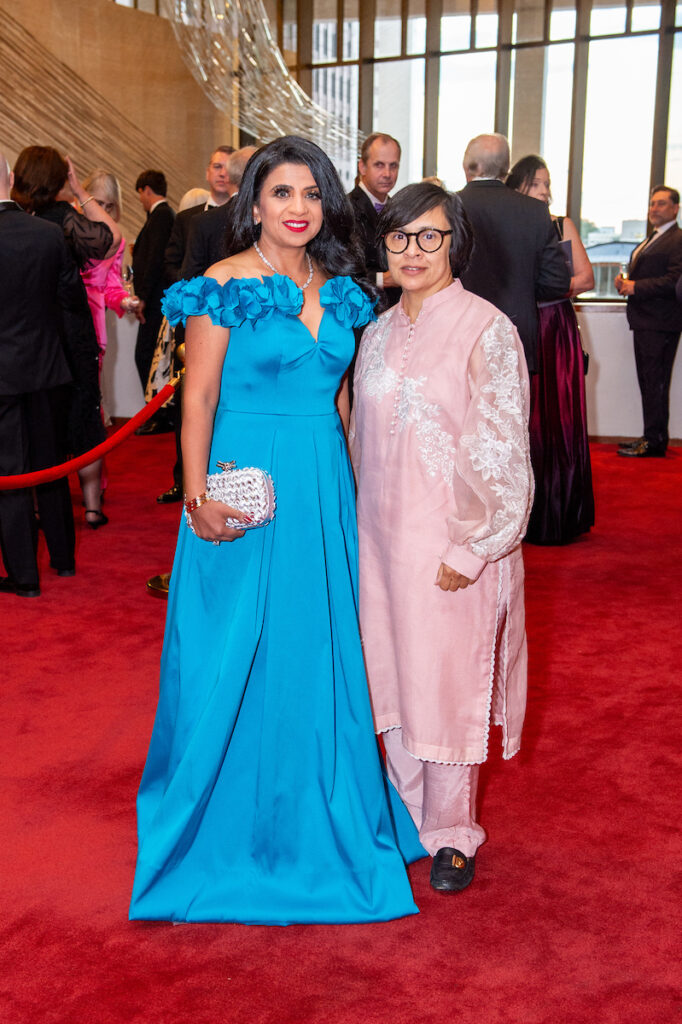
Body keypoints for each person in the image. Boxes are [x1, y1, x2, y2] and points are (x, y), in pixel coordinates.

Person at [129, 136, 423, 925]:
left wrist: (355, 495)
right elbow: (197, 402)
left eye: (311, 194)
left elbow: (339, 403)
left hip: (322, 483)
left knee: (316, 649)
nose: (298, 209)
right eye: (282, 193)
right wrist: (194, 499)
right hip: (245, 482)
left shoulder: (344, 289)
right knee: (232, 650)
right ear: (252, 202)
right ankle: (222, 825)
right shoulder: (222, 286)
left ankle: (320, 804)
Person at [350, 182, 533, 892]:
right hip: (377, 542)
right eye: (400, 237)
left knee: (444, 680)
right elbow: (361, 440)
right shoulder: (377, 331)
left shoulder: (487, 328)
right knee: (390, 677)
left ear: (456, 242)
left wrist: (471, 546)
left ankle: (454, 831)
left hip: (450, 547)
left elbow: (502, 448)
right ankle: (405, 818)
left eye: (430, 236)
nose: (413, 251)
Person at [12, 147, 120, 529]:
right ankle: (92, 506)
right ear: (60, 179)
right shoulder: (66, 219)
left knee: (38, 422)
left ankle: (41, 505)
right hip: (72, 331)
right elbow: (112, 237)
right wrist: (80, 190)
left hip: (30, 334)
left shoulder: (18, 220)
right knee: (84, 418)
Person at [0, 150, 81, 596]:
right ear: (10, 177)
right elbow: (69, 301)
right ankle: (64, 559)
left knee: (9, 473)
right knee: (50, 464)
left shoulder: (50, 232)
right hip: (47, 366)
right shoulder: (49, 234)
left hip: (4, 375)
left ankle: (23, 576)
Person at [507, 155, 595, 544]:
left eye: (546, 184)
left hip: (554, 329)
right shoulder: (511, 223)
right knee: (519, 419)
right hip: (517, 326)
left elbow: (587, 278)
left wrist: (547, 288)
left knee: (556, 419)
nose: (544, 191)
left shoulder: (560, 224)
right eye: (536, 184)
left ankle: (557, 513)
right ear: (518, 186)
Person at [458, 133, 570, 373]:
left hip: (459, 331)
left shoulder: (448, 207)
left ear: (467, 167)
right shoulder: (535, 211)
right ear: (506, 170)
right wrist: (521, 291)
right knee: (511, 410)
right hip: (516, 332)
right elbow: (557, 282)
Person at [615, 185, 682, 457]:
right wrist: (625, 283)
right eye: (652, 203)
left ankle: (655, 442)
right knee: (647, 381)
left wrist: (636, 287)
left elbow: (674, 281)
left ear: (676, 208)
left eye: (662, 204)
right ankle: (649, 436)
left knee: (656, 382)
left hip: (661, 322)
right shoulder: (653, 237)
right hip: (645, 320)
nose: (654, 208)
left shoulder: (677, 239)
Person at [132, 169, 175, 432]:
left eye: (140, 194)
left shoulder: (161, 216)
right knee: (149, 356)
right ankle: (156, 412)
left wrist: (143, 298)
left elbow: (153, 261)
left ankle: (157, 414)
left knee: (146, 356)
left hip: (155, 299)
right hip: (155, 297)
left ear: (146, 190)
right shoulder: (161, 216)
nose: (141, 200)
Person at [164, 146, 235, 286]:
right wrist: (189, 287)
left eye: (228, 169)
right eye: (217, 167)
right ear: (207, 173)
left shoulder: (247, 219)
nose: (222, 173)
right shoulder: (185, 219)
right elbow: (170, 264)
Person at [348, 132, 402, 310]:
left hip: (396, 311)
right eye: (379, 165)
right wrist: (381, 279)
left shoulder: (400, 209)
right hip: (359, 312)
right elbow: (334, 268)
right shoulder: (345, 208)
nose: (387, 174)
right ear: (362, 167)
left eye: (393, 166)